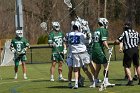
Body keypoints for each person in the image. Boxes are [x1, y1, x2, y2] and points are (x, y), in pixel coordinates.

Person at [66, 21, 95, 89]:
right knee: (86, 68)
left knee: (76, 69)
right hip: (83, 53)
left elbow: (67, 40)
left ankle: (76, 83)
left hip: (74, 53)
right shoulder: (81, 34)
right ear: (78, 27)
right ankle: (93, 81)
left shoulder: (69, 34)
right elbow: (88, 42)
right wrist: (89, 36)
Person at [115, 22, 140, 86]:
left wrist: (116, 41)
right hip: (136, 49)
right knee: (137, 65)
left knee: (126, 66)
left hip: (128, 50)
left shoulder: (125, 33)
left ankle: (130, 80)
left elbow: (118, 40)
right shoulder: (136, 32)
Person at [91, 18, 114, 87]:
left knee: (98, 67)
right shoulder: (103, 30)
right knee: (106, 65)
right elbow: (104, 41)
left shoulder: (96, 30)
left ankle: (95, 82)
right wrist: (108, 49)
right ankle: (106, 81)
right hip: (99, 49)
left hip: (94, 49)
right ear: (103, 23)